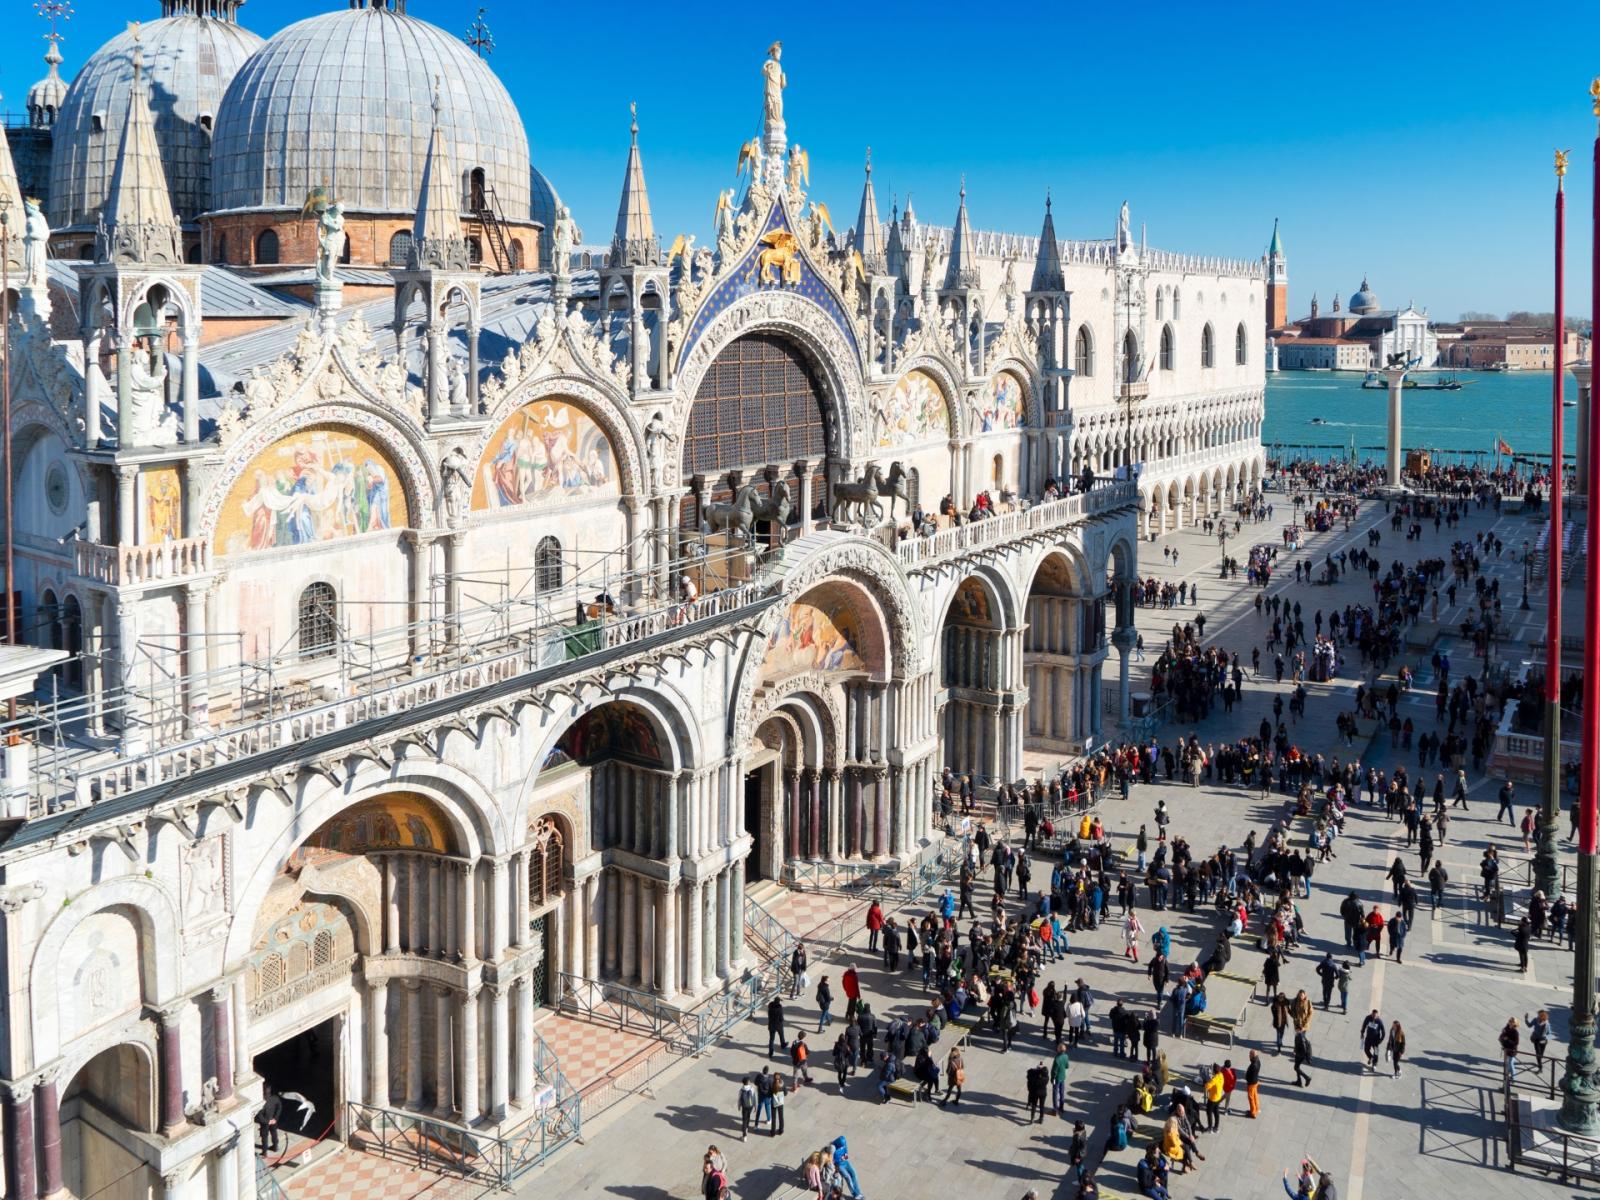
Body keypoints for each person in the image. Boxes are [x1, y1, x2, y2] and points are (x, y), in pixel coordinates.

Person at [257, 1084, 282, 1153]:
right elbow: (279, 1107)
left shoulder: (261, 1103)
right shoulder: (274, 1098)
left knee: (264, 1136)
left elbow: (259, 1115)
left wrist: (267, 1121)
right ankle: (275, 1146)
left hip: (265, 1122)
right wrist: (275, 1118)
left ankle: (265, 1152)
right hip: (273, 1120)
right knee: (274, 1133)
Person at [1051, 1042, 1072, 1116]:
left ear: (1059, 1050)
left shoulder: (1057, 1059)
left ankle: (1055, 1110)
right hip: (1062, 1077)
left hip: (1056, 1079)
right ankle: (1061, 1107)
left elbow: (1054, 1071)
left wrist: (1052, 1079)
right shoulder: (1066, 1056)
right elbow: (1067, 1066)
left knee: (1055, 1093)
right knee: (1062, 1092)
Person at [737, 1075, 757, 1140]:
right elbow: (754, 1097)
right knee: (748, 1116)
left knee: (744, 1120)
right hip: (750, 1106)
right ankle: (747, 1128)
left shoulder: (741, 1090)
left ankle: (744, 1136)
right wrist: (755, 1106)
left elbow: (739, 1099)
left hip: (744, 1106)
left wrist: (739, 1106)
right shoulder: (752, 1088)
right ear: (748, 1082)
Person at [1245, 1049, 1262, 1118]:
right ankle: (1256, 1109)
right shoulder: (1258, 1061)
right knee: (1255, 1096)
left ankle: (1253, 1112)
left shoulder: (1253, 1065)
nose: (1249, 1056)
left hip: (1251, 1083)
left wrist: (1247, 1080)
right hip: (1255, 1082)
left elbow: (1250, 1075)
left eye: (1250, 1054)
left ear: (1252, 1055)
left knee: (1251, 1098)